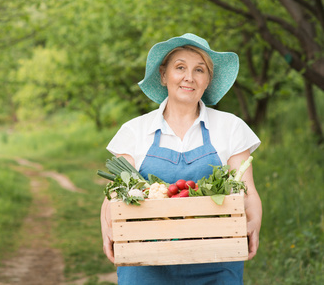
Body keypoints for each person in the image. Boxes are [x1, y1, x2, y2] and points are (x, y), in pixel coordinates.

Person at [100, 33, 262, 284]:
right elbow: (115, 193)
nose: (189, 77)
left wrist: (254, 222)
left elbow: (247, 189)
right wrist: (108, 227)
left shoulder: (230, 127)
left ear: (208, 80)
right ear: (164, 75)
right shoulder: (134, 131)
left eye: (199, 69)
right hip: (146, 263)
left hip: (216, 259)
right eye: (180, 68)